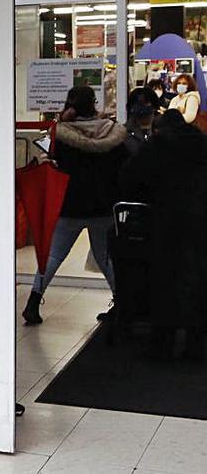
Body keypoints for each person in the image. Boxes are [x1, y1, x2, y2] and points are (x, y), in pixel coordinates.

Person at [23, 86, 127, 325]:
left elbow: (48, 160)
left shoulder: (61, 135)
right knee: (105, 257)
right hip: (104, 207)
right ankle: (122, 303)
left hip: (69, 206)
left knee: (52, 256)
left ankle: (33, 302)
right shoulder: (112, 133)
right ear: (94, 103)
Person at [120, 110, 207, 358]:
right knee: (198, 278)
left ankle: (163, 343)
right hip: (201, 219)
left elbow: (130, 176)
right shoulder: (202, 142)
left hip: (167, 219)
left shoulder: (158, 144)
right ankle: (195, 343)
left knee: (165, 279)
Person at [125, 87, 159, 155]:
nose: (143, 110)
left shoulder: (159, 135)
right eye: (139, 104)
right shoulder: (122, 136)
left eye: (146, 104)